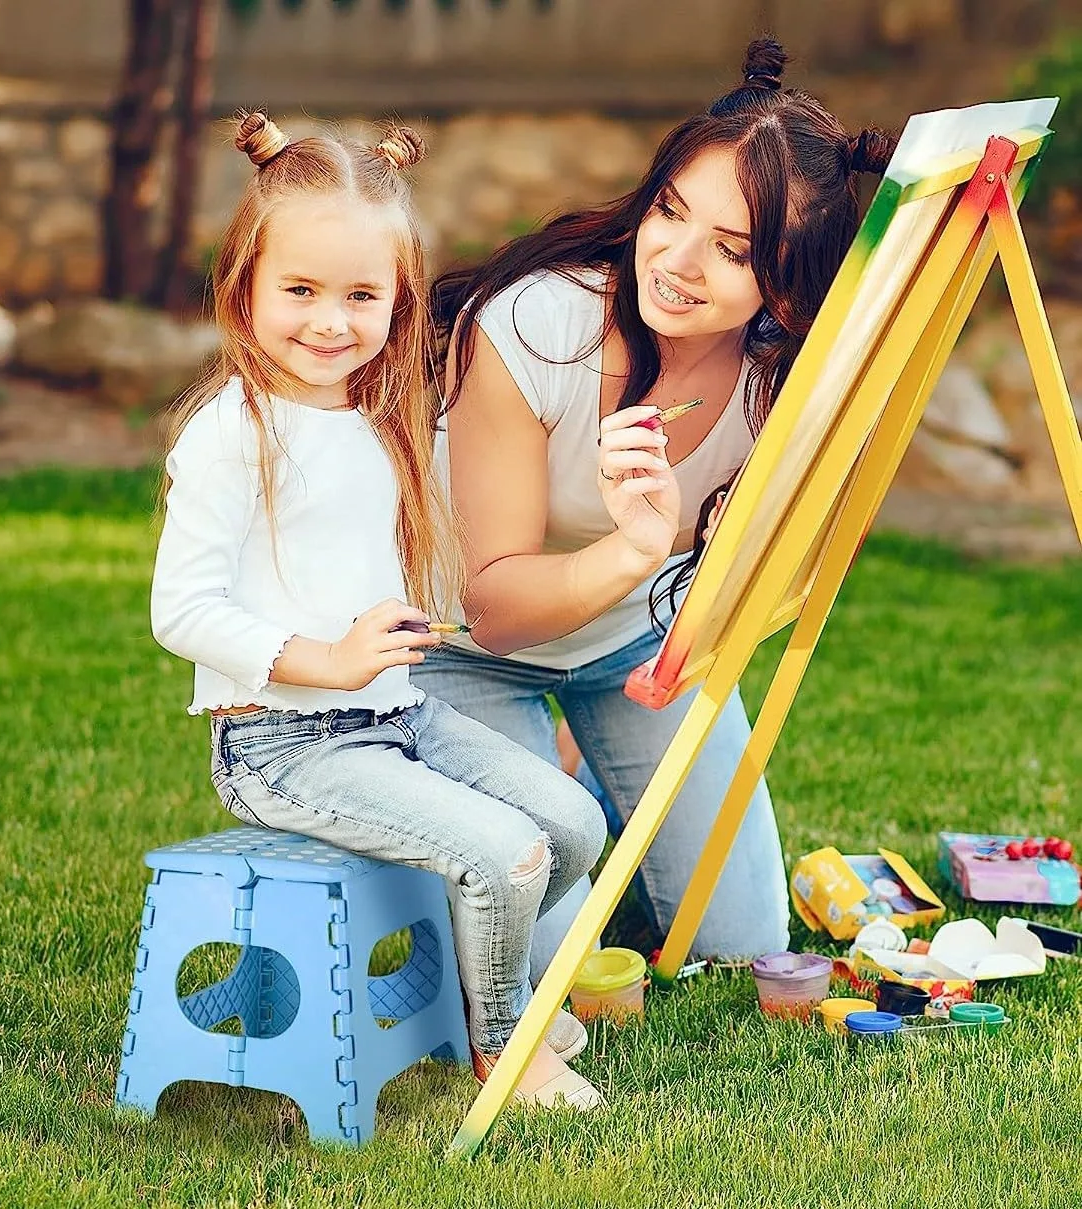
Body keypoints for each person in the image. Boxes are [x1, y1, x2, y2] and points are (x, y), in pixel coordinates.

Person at [150, 112, 607, 1109]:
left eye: (361, 295)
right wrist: (325, 657)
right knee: (507, 852)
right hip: (282, 746)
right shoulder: (232, 436)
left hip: (397, 718)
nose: (330, 321)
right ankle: (503, 1049)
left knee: (572, 824)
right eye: (300, 291)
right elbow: (181, 612)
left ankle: (479, 989)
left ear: (399, 301)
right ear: (244, 288)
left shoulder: (372, 414)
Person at [421, 39, 897, 982]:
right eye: (670, 212)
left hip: (632, 650)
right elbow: (497, 608)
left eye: (731, 250)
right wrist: (637, 548)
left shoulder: (781, 377)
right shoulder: (531, 323)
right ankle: (550, 806)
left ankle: (601, 787)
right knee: (536, 971)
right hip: (459, 650)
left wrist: (741, 557)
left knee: (742, 946)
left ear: (789, 283)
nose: (677, 262)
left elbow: (790, 569)